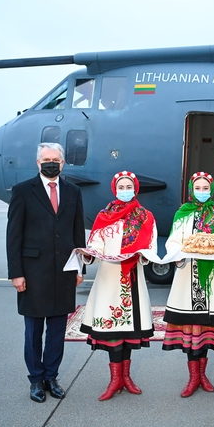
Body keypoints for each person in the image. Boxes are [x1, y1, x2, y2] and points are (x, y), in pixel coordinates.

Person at [6, 142, 86, 403]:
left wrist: (79, 267)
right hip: (32, 273)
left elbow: (77, 233)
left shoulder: (73, 192)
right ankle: (36, 380)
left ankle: (51, 377)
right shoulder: (22, 191)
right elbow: (13, 235)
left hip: (64, 272)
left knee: (57, 330)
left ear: (62, 163)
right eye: (46, 160)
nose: (51, 164)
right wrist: (16, 273)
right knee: (33, 331)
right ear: (38, 163)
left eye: (55, 160)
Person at [79, 171, 157, 400]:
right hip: (108, 279)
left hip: (132, 277)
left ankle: (126, 378)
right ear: (115, 189)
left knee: (129, 330)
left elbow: (151, 247)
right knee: (112, 329)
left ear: (135, 189)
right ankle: (115, 380)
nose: (125, 190)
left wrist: (142, 255)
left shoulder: (145, 217)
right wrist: (89, 254)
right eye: (121, 187)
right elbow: (95, 244)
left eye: (128, 186)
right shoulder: (104, 215)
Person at [162, 172, 214, 398]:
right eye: (198, 188)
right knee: (191, 329)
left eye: (205, 188)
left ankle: (202, 376)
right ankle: (193, 377)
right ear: (191, 190)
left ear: (211, 190)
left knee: (206, 329)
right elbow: (173, 241)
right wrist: (179, 254)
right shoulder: (182, 214)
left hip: (213, 279)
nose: (202, 192)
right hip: (187, 277)